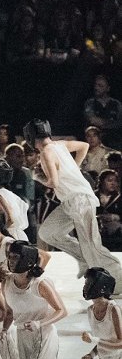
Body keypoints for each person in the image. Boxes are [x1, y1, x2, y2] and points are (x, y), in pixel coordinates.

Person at [28, 119, 122, 279]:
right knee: (48, 232)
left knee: (92, 245)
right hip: (71, 201)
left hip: (80, 199)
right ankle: (84, 259)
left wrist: (37, 177)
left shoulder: (45, 152)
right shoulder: (60, 144)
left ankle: (117, 278)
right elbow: (83, 146)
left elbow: (53, 182)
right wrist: (73, 168)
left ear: (31, 137)